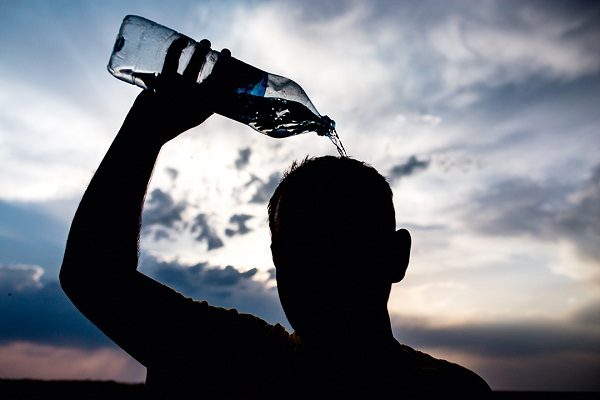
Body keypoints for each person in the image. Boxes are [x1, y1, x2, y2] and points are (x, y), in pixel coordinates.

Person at [60, 40, 491, 398]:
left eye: (344, 242)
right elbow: (94, 278)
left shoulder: (235, 364)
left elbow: (94, 277)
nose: (322, 268)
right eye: (302, 248)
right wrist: (145, 129)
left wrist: (145, 132)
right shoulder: (449, 392)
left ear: (396, 256)